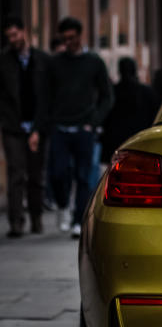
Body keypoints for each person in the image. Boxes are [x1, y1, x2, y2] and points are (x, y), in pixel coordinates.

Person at [49, 17, 113, 237]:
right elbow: (45, 95)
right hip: (60, 127)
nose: (69, 42)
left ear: (80, 35)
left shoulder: (93, 62)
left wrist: (93, 122)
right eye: (65, 39)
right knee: (58, 173)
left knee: (84, 175)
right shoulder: (55, 63)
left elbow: (107, 96)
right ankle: (63, 205)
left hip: (84, 127)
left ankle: (78, 220)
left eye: (72, 38)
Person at [1, 16, 53, 237]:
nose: (12, 40)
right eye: (8, 36)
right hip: (13, 126)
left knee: (36, 174)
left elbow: (48, 96)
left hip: (38, 125)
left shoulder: (43, 60)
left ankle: (36, 216)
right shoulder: (3, 61)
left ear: (24, 32)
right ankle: (16, 222)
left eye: (15, 34)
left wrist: (38, 128)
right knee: (16, 173)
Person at [100, 57, 160, 164]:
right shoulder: (146, 92)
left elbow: (105, 117)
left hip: (117, 144)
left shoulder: (113, 92)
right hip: (141, 142)